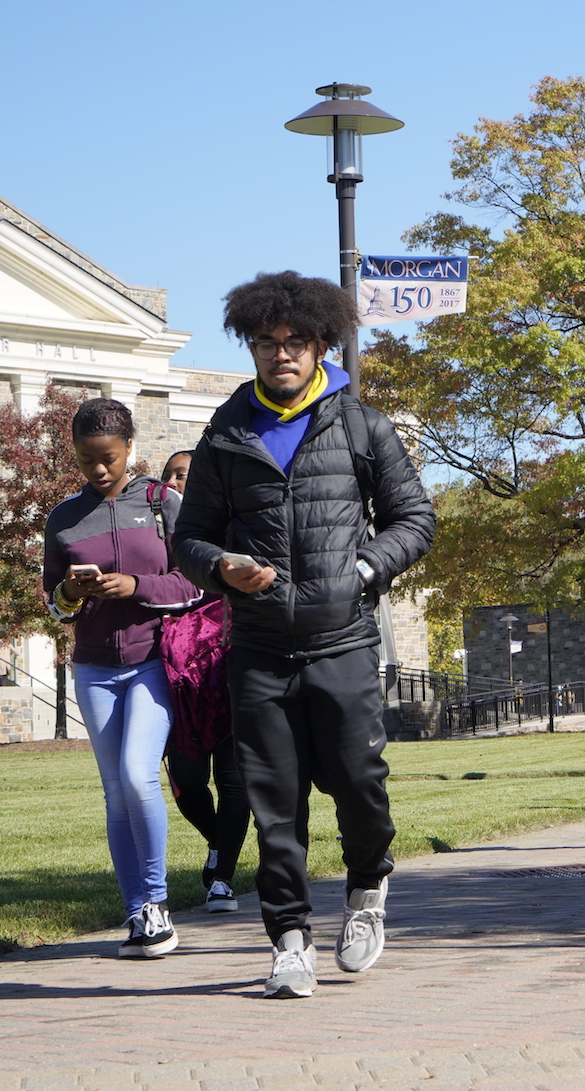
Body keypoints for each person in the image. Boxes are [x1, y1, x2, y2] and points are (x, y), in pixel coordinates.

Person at [173, 271, 436, 999]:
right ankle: (290, 937)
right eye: (267, 342)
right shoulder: (226, 434)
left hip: (343, 638)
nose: (280, 354)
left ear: (323, 343)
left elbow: (416, 520)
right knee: (273, 800)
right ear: (251, 346)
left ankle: (367, 888)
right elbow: (187, 539)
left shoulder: (360, 424)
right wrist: (223, 567)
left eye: (295, 342)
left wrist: (361, 568)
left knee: (358, 782)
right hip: (258, 647)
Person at [45, 398, 201, 958]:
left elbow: (195, 584)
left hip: (154, 659)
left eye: (108, 458)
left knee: (138, 776)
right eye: (88, 461)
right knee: (115, 794)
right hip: (94, 667)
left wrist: (137, 587)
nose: (100, 470)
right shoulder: (63, 518)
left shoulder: (163, 503)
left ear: (129, 448)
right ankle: (136, 914)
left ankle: (157, 903)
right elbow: (54, 604)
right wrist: (70, 592)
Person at [158, 449, 249, 914]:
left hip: (229, 664)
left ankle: (222, 877)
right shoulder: (158, 536)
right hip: (180, 677)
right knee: (187, 782)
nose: (180, 481)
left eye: (188, 475)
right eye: (173, 475)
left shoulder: (229, 525)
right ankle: (217, 841)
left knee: (234, 780)